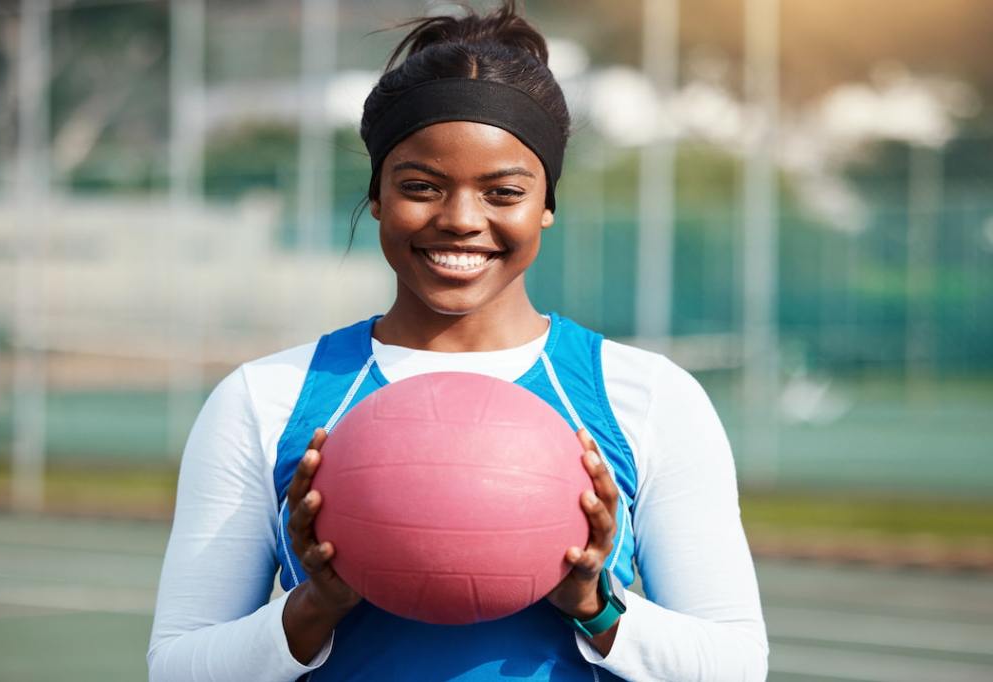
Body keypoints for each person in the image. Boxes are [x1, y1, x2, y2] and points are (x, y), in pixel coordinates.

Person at [147, 2, 768, 680]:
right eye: (421, 187)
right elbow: (178, 668)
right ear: (378, 196)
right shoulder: (265, 399)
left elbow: (735, 666)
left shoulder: (648, 398)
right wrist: (315, 606)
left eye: (503, 192)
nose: (461, 220)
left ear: (547, 204)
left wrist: (594, 604)